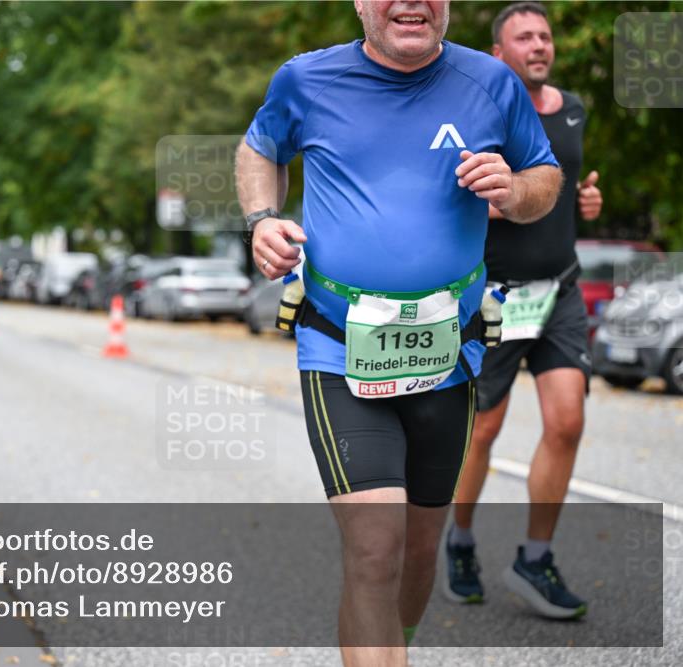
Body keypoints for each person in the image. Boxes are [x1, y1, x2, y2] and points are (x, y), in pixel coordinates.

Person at [235, 1, 562, 662]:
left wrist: (515, 191)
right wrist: (263, 218)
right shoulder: (305, 80)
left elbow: (545, 176)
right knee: (375, 544)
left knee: (417, 552)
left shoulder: (490, 83)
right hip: (339, 344)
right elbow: (257, 148)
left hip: (452, 349)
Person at [445, 1, 602, 619]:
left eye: (545, 35)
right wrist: (496, 198)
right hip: (496, 293)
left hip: (559, 288)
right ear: (497, 52)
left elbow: (563, 177)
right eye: (524, 37)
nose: (539, 45)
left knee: (566, 422)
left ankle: (535, 557)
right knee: (482, 428)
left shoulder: (571, 108)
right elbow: (449, 188)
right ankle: (459, 544)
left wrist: (584, 199)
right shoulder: (477, 113)